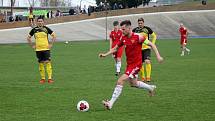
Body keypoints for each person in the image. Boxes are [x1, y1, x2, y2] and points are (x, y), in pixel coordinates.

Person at [99, 20, 163, 110]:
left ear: (129, 28)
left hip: (136, 64)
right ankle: (150, 88)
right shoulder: (123, 38)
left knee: (120, 80)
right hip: (129, 64)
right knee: (134, 83)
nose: (122, 31)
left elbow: (152, 44)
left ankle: (110, 103)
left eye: (124, 29)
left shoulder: (138, 37)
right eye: (121, 29)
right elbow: (116, 48)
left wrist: (158, 56)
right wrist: (105, 54)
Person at [27, 17, 56, 84]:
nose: (40, 22)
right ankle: (42, 78)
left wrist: (51, 44)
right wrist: (32, 45)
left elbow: (54, 36)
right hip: (38, 49)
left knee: (48, 62)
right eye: (39, 21)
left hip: (46, 49)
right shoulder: (34, 29)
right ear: (37, 22)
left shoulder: (46, 29)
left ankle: (49, 78)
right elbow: (28, 38)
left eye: (41, 21)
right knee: (41, 63)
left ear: (43, 22)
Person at [132, 18, 157, 82]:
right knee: (140, 64)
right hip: (138, 49)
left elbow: (154, 36)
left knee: (147, 61)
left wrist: (152, 44)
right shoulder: (135, 30)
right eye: (139, 23)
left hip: (146, 48)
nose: (140, 24)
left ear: (143, 23)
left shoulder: (147, 29)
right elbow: (131, 38)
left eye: (141, 23)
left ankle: (148, 77)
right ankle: (143, 77)